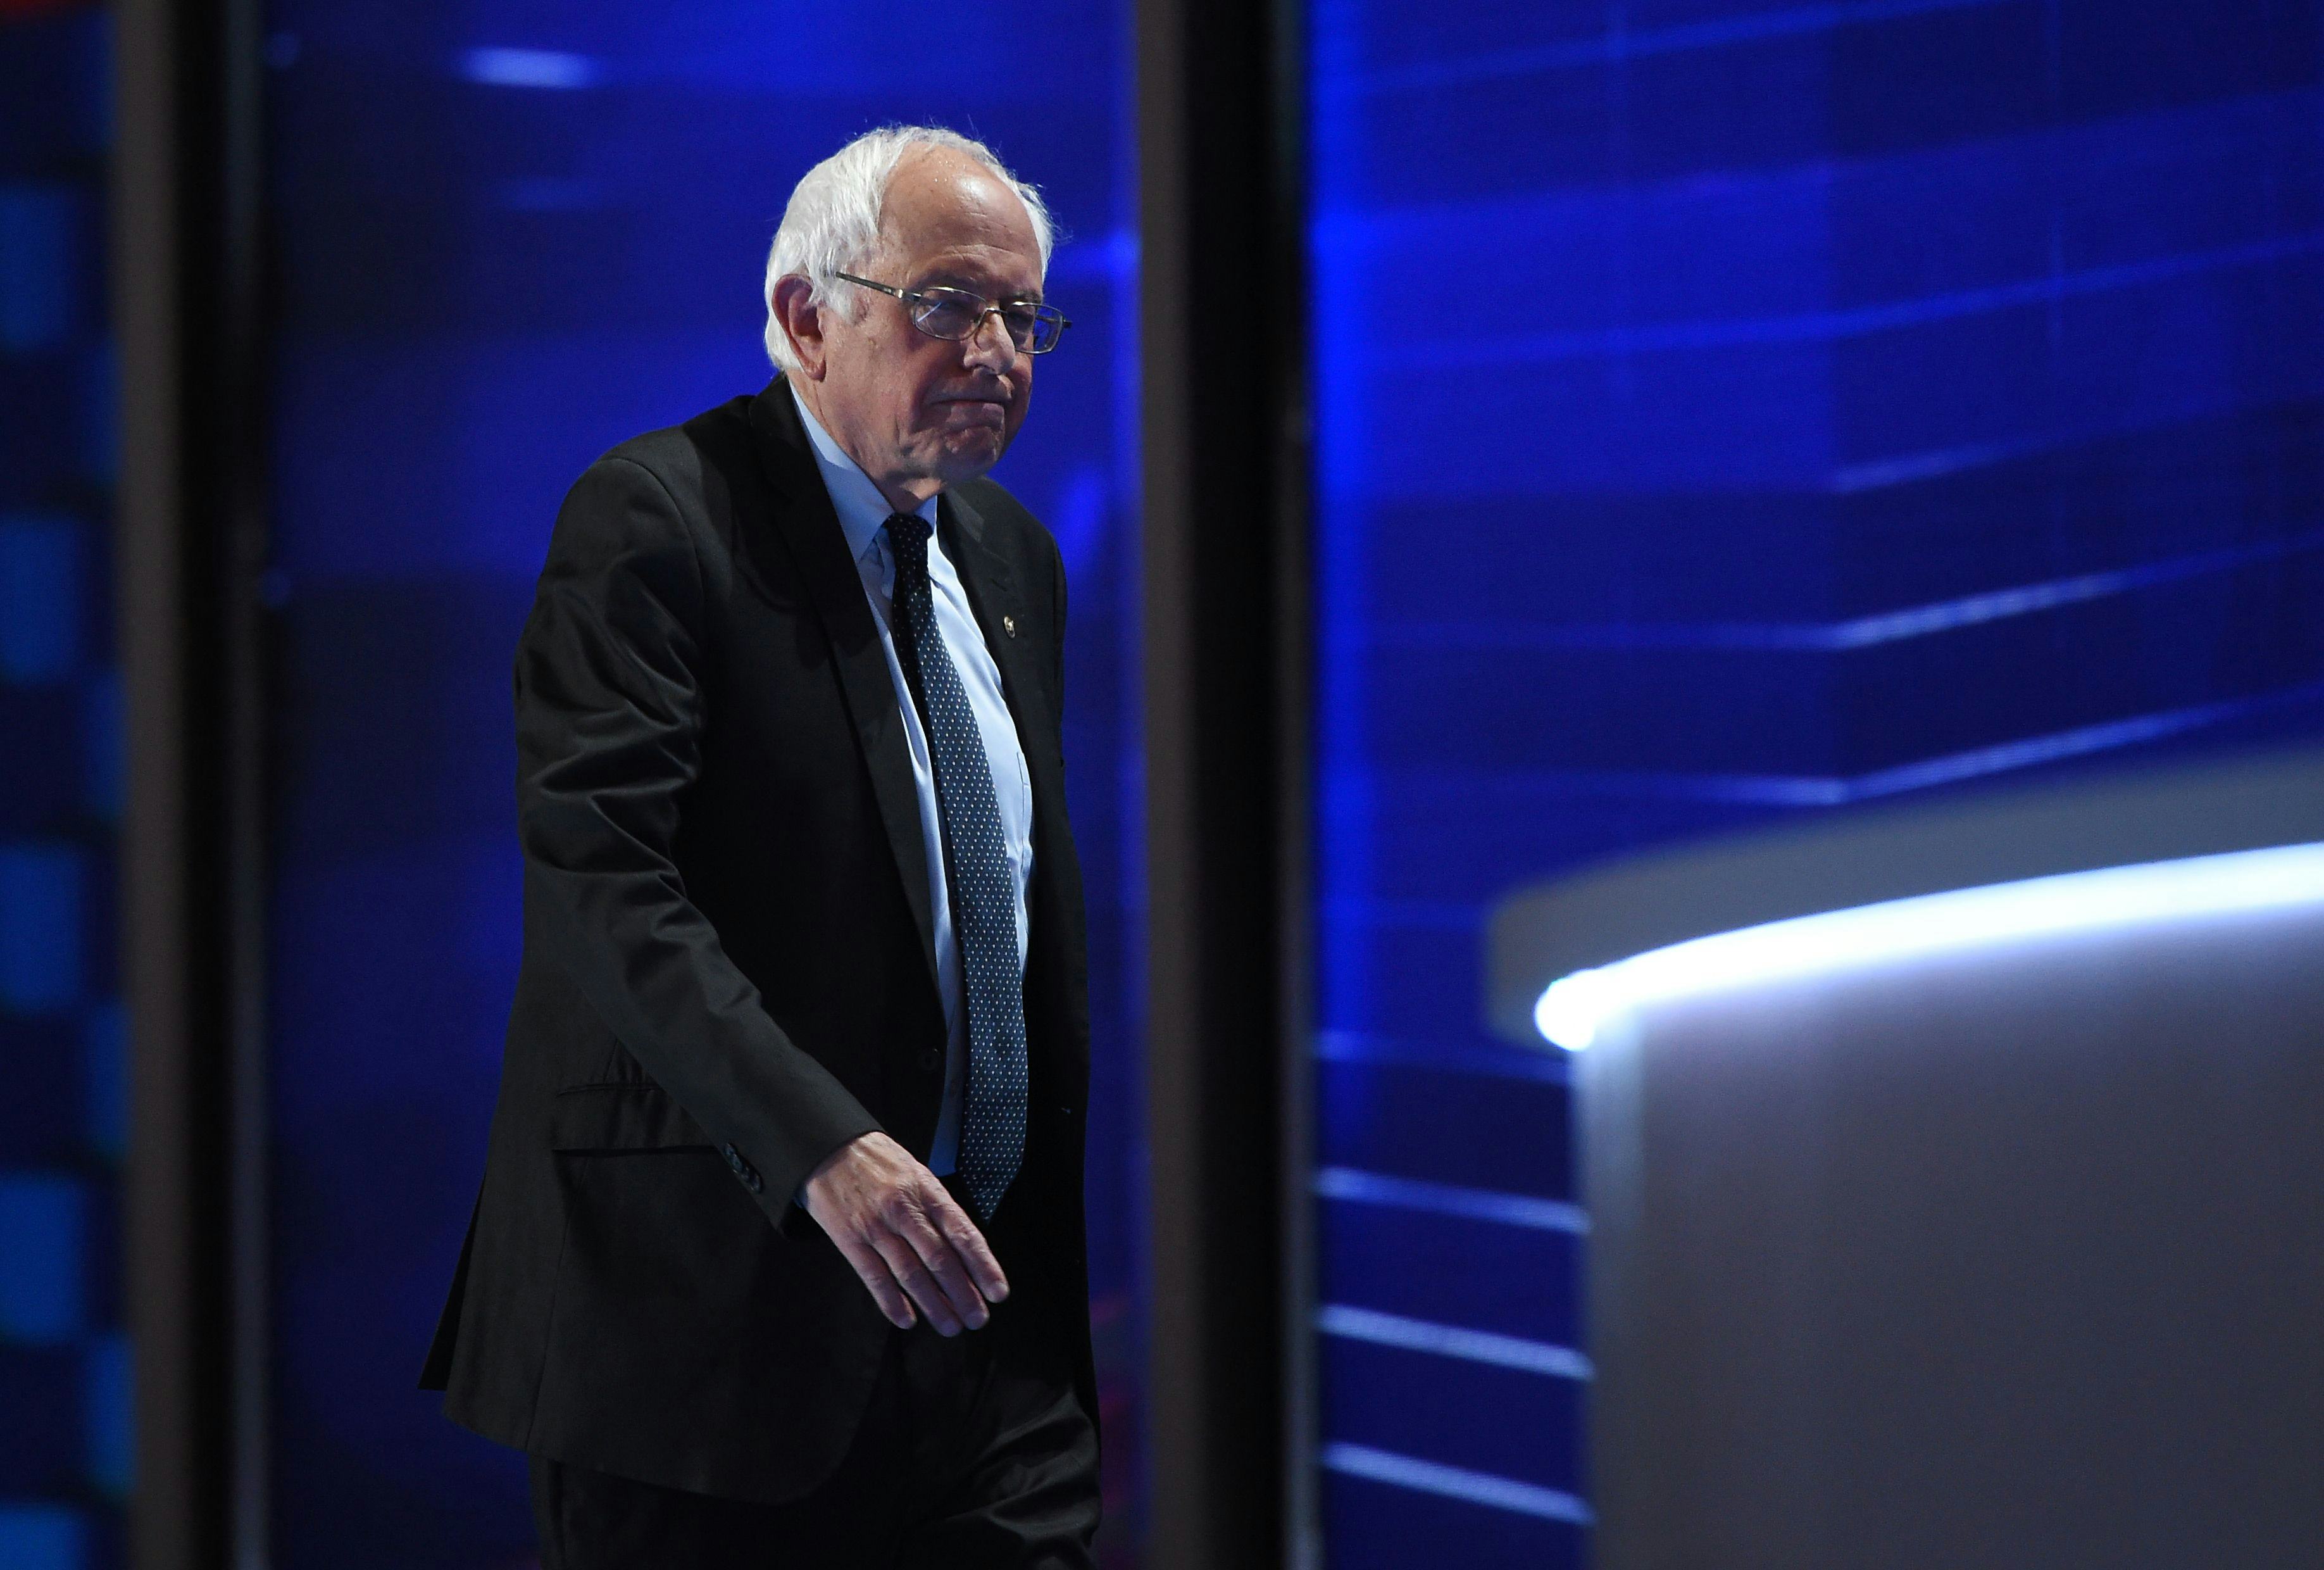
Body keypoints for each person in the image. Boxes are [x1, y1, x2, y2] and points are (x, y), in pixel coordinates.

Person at [419, 124, 1099, 1568]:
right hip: (707, 1351)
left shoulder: (1012, 559)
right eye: (948, 304)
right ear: (808, 317)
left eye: (1022, 316)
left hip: (984, 1350)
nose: (996, 352)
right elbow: (605, 883)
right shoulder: (658, 520)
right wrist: (822, 1145)